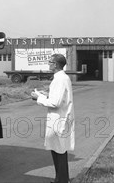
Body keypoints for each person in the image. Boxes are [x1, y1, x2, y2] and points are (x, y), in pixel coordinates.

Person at [31, 54, 75, 183]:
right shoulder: (62, 78)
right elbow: (58, 97)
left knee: (59, 151)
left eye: (50, 62)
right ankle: (61, 179)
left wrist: (38, 98)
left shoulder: (59, 79)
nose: (48, 64)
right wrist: (47, 94)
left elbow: (55, 103)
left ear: (55, 64)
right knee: (57, 149)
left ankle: (61, 180)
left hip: (58, 118)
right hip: (60, 117)